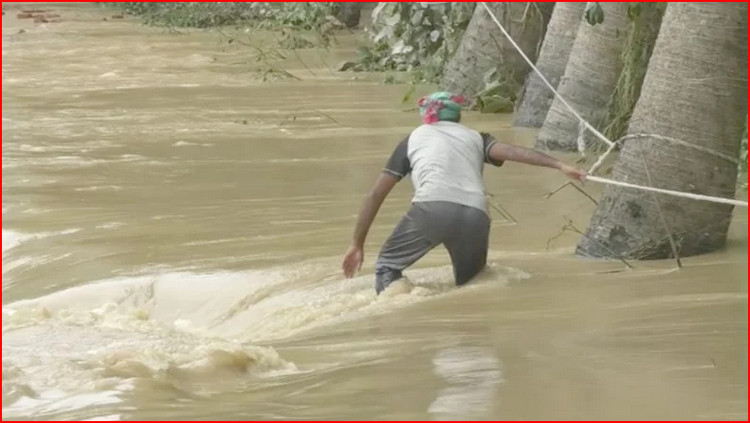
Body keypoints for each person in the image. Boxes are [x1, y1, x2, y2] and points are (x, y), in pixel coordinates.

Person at [342, 92, 587, 294]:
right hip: (476, 214)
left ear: (426, 117)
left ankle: (400, 313)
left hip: (431, 209)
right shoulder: (476, 138)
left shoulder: (413, 139)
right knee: (472, 284)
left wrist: (357, 243)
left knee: (387, 266)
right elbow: (514, 152)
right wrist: (560, 165)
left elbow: (376, 194)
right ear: (457, 117)